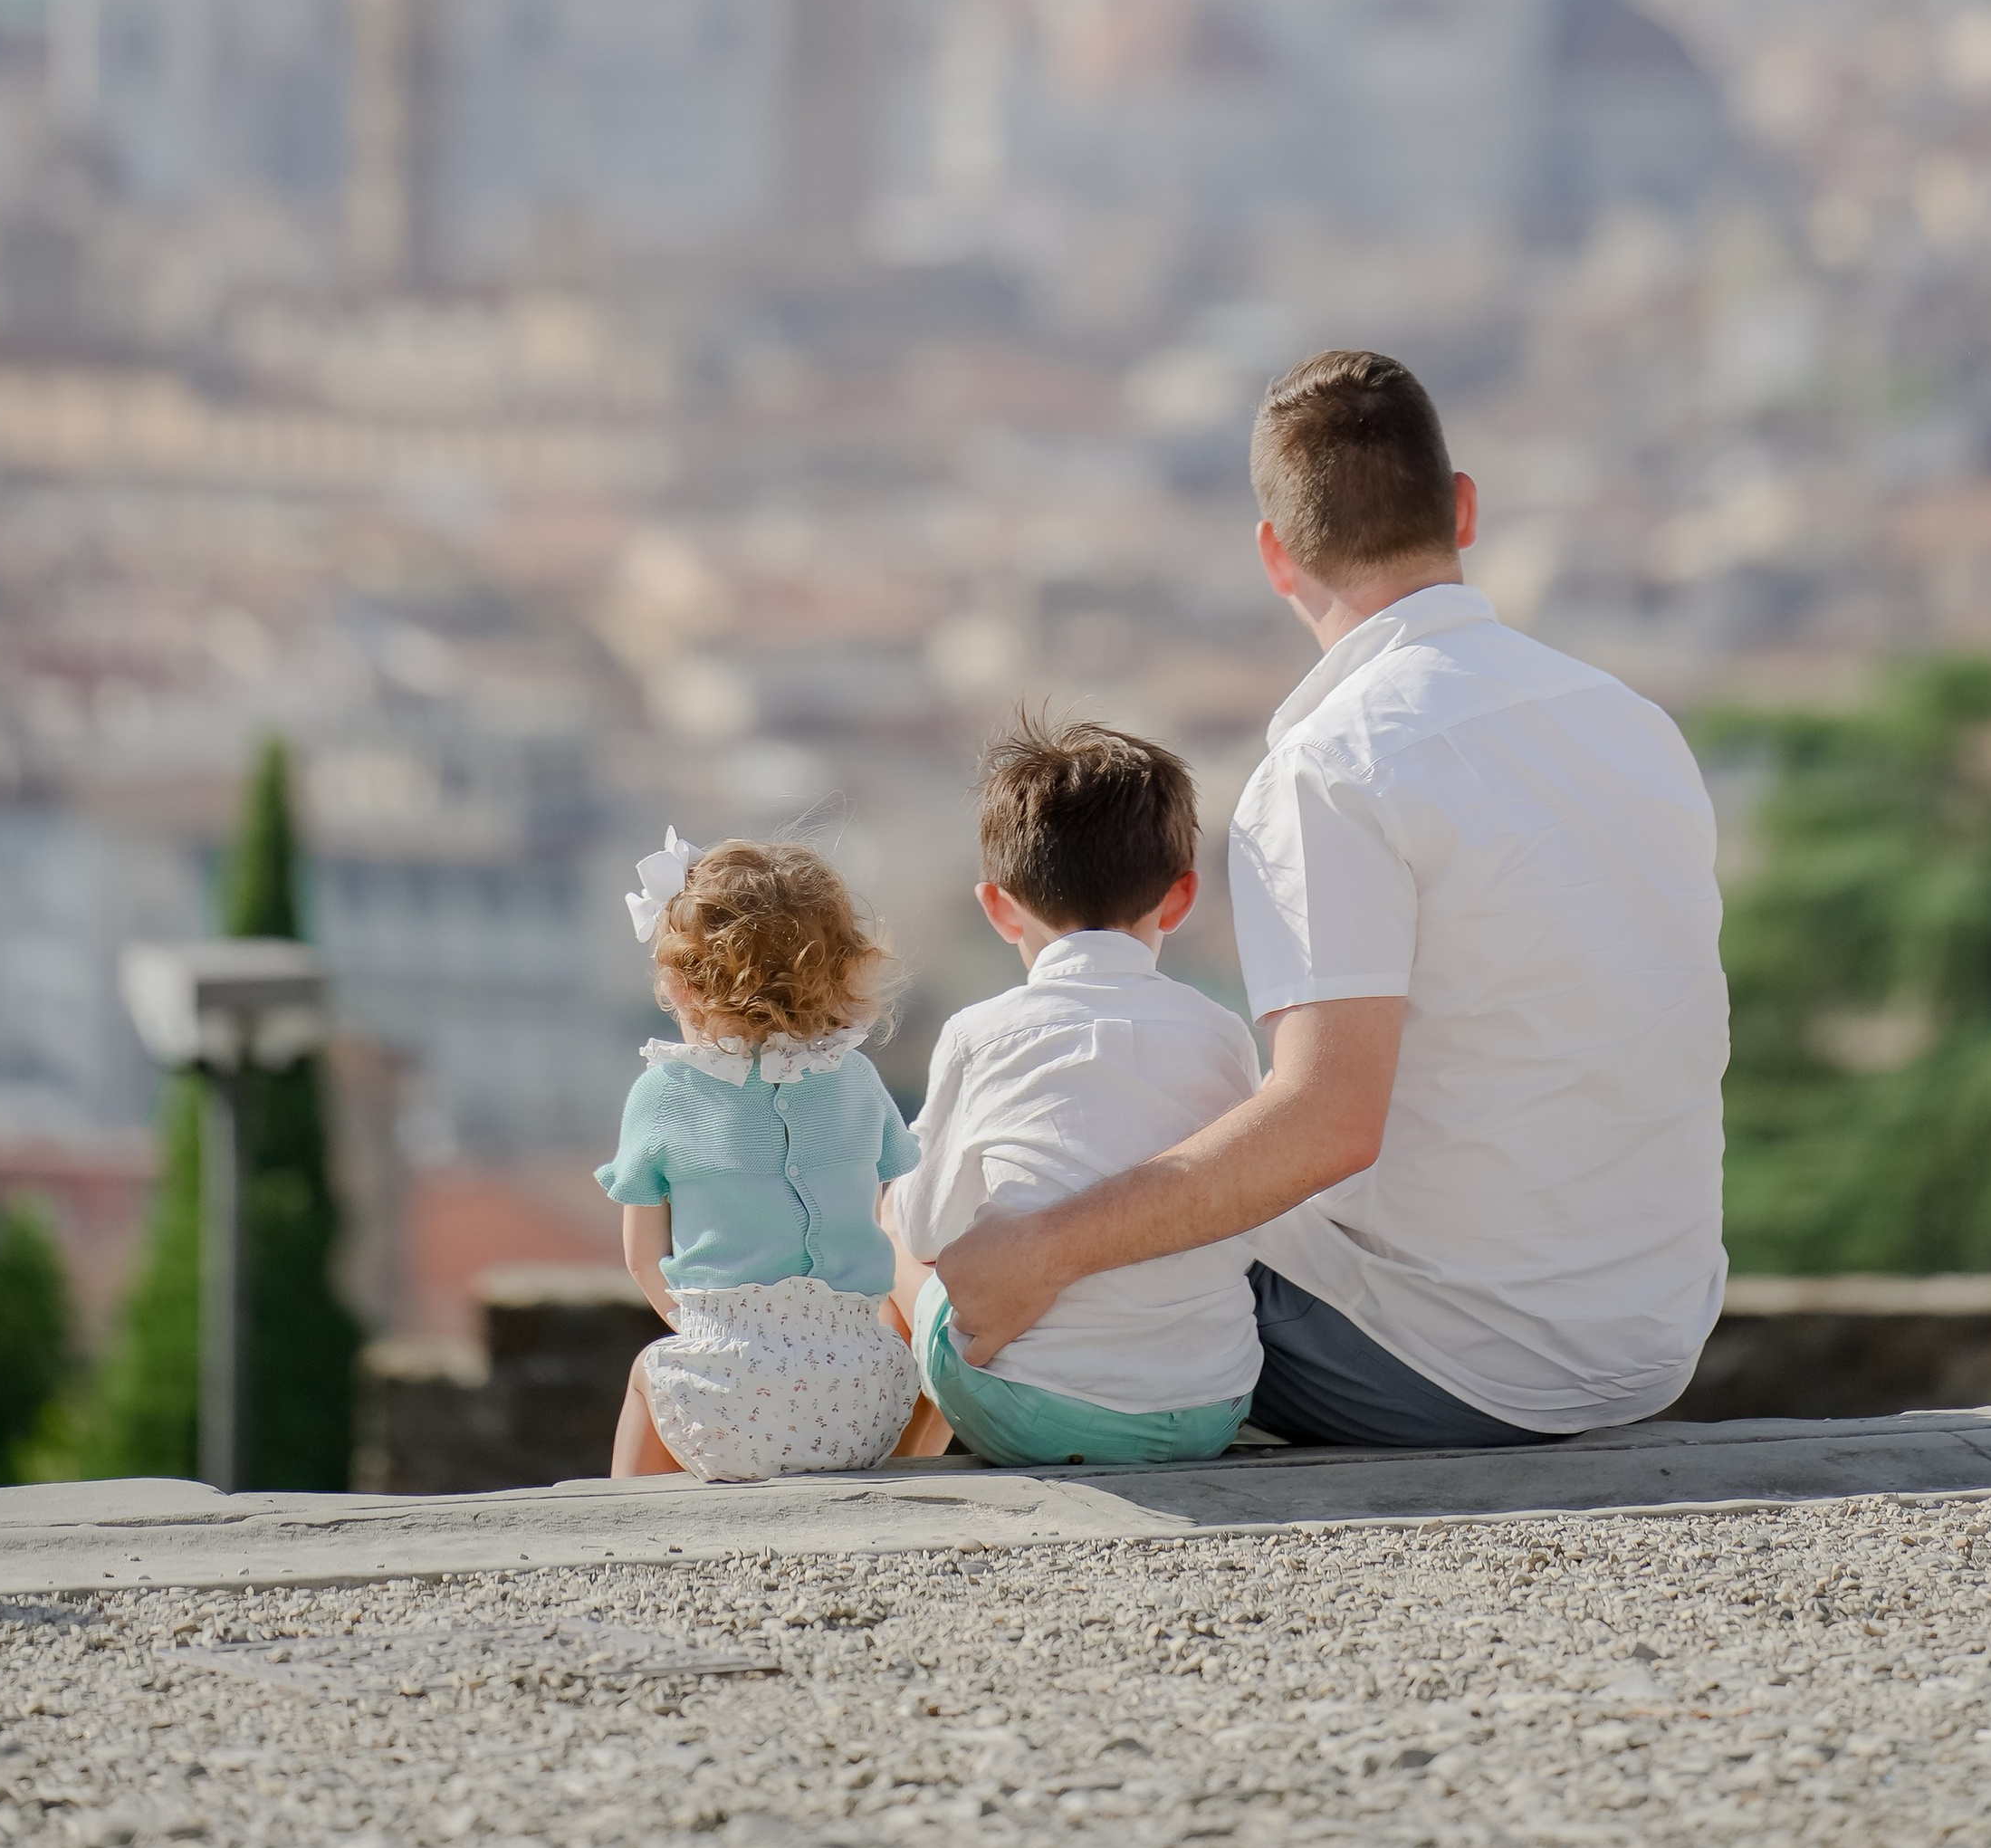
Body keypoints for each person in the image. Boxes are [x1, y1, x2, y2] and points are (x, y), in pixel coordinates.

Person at [934, 349, 1730, 1449]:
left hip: (1452, 1363)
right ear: (1460, 509)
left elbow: (1327, 1124)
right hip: (1649, 1343)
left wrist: (1044, 1249)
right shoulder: (1633, 724)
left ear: (1274, 554)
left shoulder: (1330, 769)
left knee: (995, 1227)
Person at [882, 715, 1264, 1466]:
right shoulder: (1223, 1032)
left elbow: (928, 1232)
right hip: (1213, 1406)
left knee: (890, 1222)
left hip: (1034, 1416)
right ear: (1181, 898)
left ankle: (898, 1474)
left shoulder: (980, 1033)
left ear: (997, 907)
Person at [598, 830, 933, 1479]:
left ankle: (622, 1530)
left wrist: (713, 1335)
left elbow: (644, 1261)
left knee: (650, 1372)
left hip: (728, 1401)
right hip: (866, 1398)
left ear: (682, 987)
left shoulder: (663, 1093)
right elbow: (896, 1205)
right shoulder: (858, 1078)